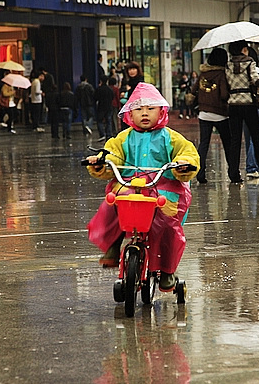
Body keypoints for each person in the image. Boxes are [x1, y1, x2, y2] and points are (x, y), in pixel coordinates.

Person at [85, 83, 199, 292]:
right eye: (138, 109)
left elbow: (187, 153)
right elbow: (111, 154)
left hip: (164, 188)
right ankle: (112, 245)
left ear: (161, 111)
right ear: (129, 113)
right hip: (130, 185)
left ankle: (166, 269)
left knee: (166, 223)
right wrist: (100, 161)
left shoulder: (170, 137)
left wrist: (183, 164)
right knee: (114, 202)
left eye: (150, 108)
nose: (144, 114)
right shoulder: (124, 137)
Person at [225, 40, 259, 183]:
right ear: (243, 50)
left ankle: (234, 174)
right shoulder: (249, 62)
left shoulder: (227, 65)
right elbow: (254, 79)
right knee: (256, 139)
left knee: (235, 140)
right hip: (248, 103)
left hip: (233, 104)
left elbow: (227, 82)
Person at [192, 47, 232, 184]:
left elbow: (193, 90)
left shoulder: (203, 74)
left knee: (203, 144)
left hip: (204, 114)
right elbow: (223, 94)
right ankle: (233, 173)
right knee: (228, 144)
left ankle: (200, 174)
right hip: (220, 114)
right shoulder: (221, 74)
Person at [94, 74, 114, 141]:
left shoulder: (99, 89)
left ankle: (102, 134)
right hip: (109, 107)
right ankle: (109, 134)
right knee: (108, 121)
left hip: (101, 107)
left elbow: (95, 98)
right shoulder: (110, 89)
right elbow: (112, 97)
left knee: (100, 121)